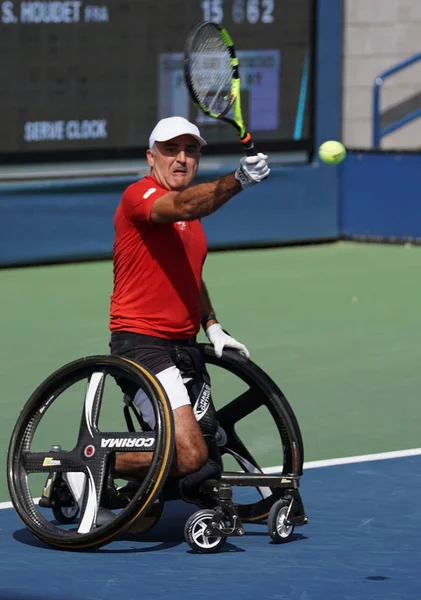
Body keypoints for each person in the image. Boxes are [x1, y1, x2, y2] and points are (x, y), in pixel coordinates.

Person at [108, 116, 270, 501]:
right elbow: (181, 206)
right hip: (141, 346)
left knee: (206, 453)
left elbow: (190, 276)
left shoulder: (192, 221)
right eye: (171, 150)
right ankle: (84, 465)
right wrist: (239, 180)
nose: (182, 158)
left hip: (184, 348)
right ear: (151, 157)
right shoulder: (139, 196)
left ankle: (134, 497)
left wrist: (211, 324)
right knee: (192, 454)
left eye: (191, 150)